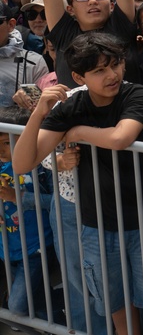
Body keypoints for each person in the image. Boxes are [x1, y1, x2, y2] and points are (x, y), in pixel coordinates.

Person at [13, 33, 143, 334]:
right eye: (99, 70)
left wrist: (77, 133)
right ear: (79, 77)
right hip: (96, 224)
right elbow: (22, 164)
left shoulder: (136, 94)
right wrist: (39, 113)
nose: (112, 75)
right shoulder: (72, 105)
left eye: (116, 64)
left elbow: (120, 138)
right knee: (115, 302)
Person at [0, 132, 54, 319]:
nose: (1, 150)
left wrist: (17, 197)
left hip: (35, 248)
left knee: (17, 305)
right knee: (33, 295)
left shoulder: (39, 167)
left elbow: (56, 202)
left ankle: (71, 305)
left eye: (6, 143)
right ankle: (53, 320)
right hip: (6, 248)